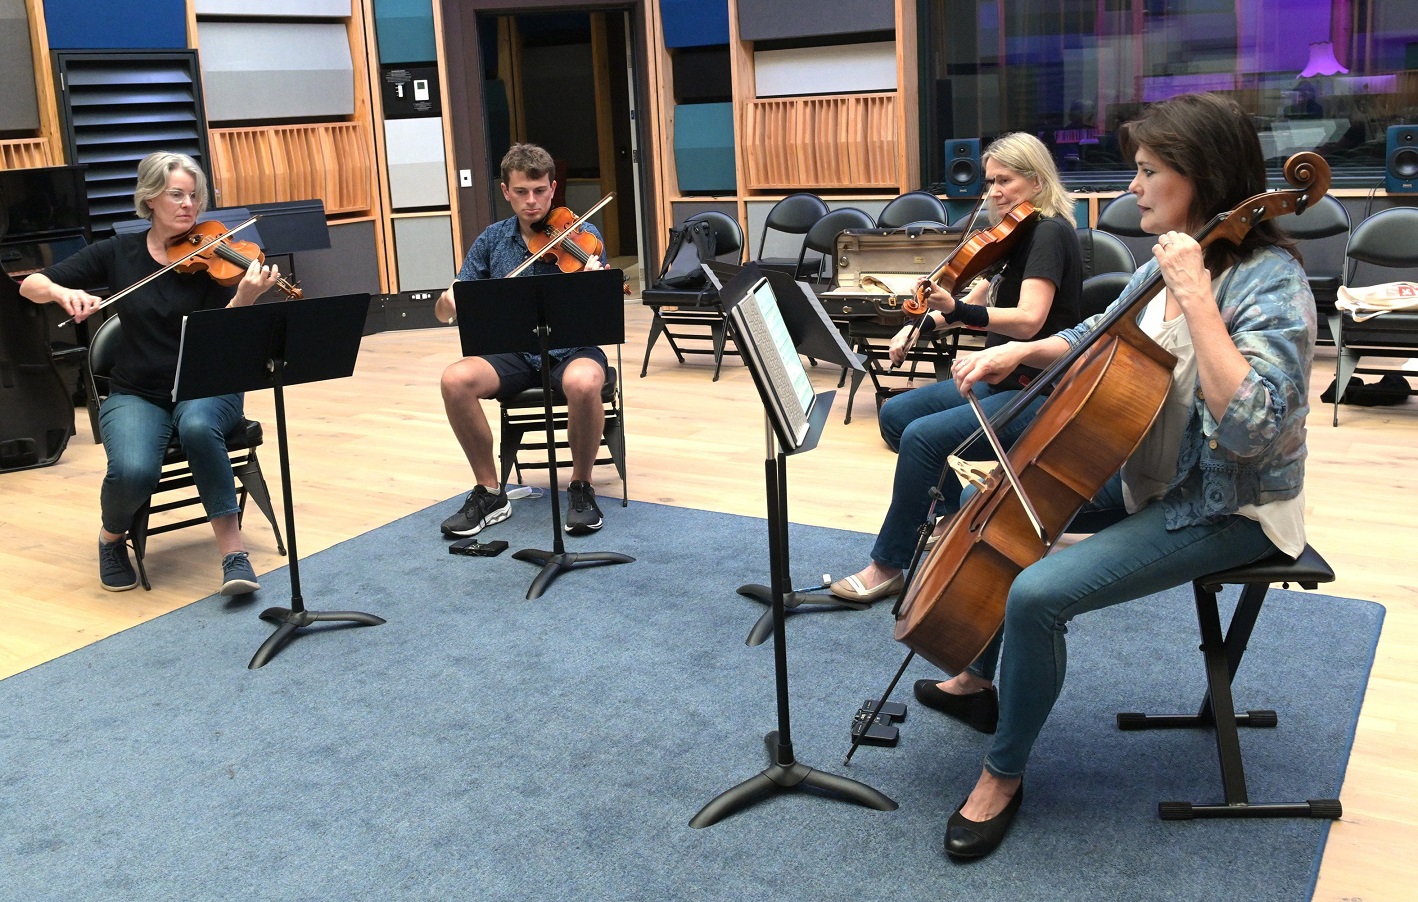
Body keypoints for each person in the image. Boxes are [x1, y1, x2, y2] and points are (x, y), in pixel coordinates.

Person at [918, 92, 1315, 860]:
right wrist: (1015, 351)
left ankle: (1003, 773)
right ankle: (978, 681)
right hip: (1146, 474)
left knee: (1038, 591)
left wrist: (1198, 295)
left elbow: (1253, 424)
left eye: (1147, 171)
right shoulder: (1162, 258)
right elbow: (1090, 334)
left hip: (1225, 505)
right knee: (993, 501)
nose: (1131, 187)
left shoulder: (1266, 282)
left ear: (1200, 177)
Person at [829, 132, 1082, 602]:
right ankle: (950, 514)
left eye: (1005, 180)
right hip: (998, 378)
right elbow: (975, 299)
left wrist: (960, 312)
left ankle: (888, 565)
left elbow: (1029, 321)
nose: (994, 192)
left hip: (1039, 390)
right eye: (990, 182)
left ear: (1035, 179)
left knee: (922, 438)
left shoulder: (1048, 233)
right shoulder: (1013, 236)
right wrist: (921, 326)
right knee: (896, 416)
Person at [20, 152, 283, 593]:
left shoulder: (217, 259)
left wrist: (244, 299)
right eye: (176, 194)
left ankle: (234, 557)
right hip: (137, 390)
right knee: (134, 470)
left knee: (199, 427)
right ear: (150, 198)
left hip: (207, 383)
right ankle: (111, 538)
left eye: (194, 196)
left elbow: (228, 338)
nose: (188, 205)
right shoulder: (119, 252)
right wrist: (65, 293)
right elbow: (30, 285)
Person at [434, 143, 610, 539]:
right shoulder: (492, 239)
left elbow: (602, 308)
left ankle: (580, 486)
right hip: (512, 351)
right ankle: (491, 492)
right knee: (454, 380)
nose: (532, 202)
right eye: (521, 192)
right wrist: (448, 303)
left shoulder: (582, 234)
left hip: (573, 346)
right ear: (505, 191)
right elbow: (449, 307)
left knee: (583, 383)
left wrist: (594, 283)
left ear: (552, 188)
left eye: (540, 191)